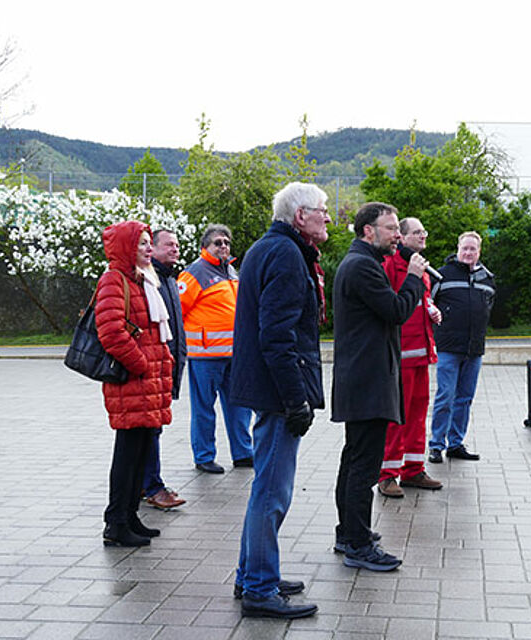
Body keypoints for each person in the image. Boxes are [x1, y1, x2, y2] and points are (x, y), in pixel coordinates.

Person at [230, 182, 330, 619]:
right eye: (323, 210)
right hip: (276, 391)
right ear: (300, 215)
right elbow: (277, 336)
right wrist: (296, 401)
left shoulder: (269, 247)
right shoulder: (287, 255)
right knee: (272, 491)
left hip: (264, 387)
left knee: (264, 488)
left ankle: (252, 573)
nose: (329, 217)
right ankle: (259, 587)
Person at [332, 202, 428, 572]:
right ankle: (357, 543)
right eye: (391, 229)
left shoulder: (361, 262)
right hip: (368, 381)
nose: (398, 236)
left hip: (362, 379)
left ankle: (349, 533)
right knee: (364, 466)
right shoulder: (361, 267)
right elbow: (396, 311)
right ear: (368, 231)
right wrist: (414, 278)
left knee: (354, 459)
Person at [96, 220, 174, 547]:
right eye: (141, 243)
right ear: (127, 247)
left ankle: (130, 517)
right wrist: (142, 365)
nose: (147, 248)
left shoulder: (140, 280)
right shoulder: (115, 280)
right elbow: (111, 332)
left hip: (145, 384)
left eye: (147, 243)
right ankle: (116, 523)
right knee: (127, 455)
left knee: (140, 453)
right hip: (133, 383)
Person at [178, 224, 253, 474]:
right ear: (205, 247)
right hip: (205, 356)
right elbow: (177, 311)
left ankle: (243, 453)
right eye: (217, 242)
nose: (223, 246)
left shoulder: (231, 271)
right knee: (203, 409)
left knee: (240, 407)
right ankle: (204, 456)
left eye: (226, 242)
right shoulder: (194, 273)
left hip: (234, 354)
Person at [377, 218, 443, 498]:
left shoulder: (421, 267)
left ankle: (413, 469)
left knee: (417, 415)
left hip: (421, 356)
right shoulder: (391, 265)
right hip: (400, 357)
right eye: (417, 232)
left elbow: (421, 299)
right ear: (402, 237)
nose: (423, 236)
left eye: (424, 231)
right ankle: (387, 475)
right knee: (397, 419)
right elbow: (391, 305)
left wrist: (431, 309)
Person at [428, 231, 495, 464]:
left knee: (465, 398)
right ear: (458, 249)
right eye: (465, 248)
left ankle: (455, 443)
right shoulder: (441, 275)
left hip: (474, 349)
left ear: (479, 252)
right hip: (447, 347)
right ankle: (436, 444)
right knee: (445, 395)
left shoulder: (487, 278)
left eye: (473, 249)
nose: (468, 253)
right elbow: (428, 303)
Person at [142, 229, 188, 510]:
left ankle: (143, 482)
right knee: (150, 428)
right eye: (169, 244)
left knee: (153, 427)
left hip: (167, 366)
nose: (175, 249)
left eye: (178, 244)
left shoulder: (170, 278)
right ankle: (152, 485)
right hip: (153, 368)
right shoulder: (149, 279)